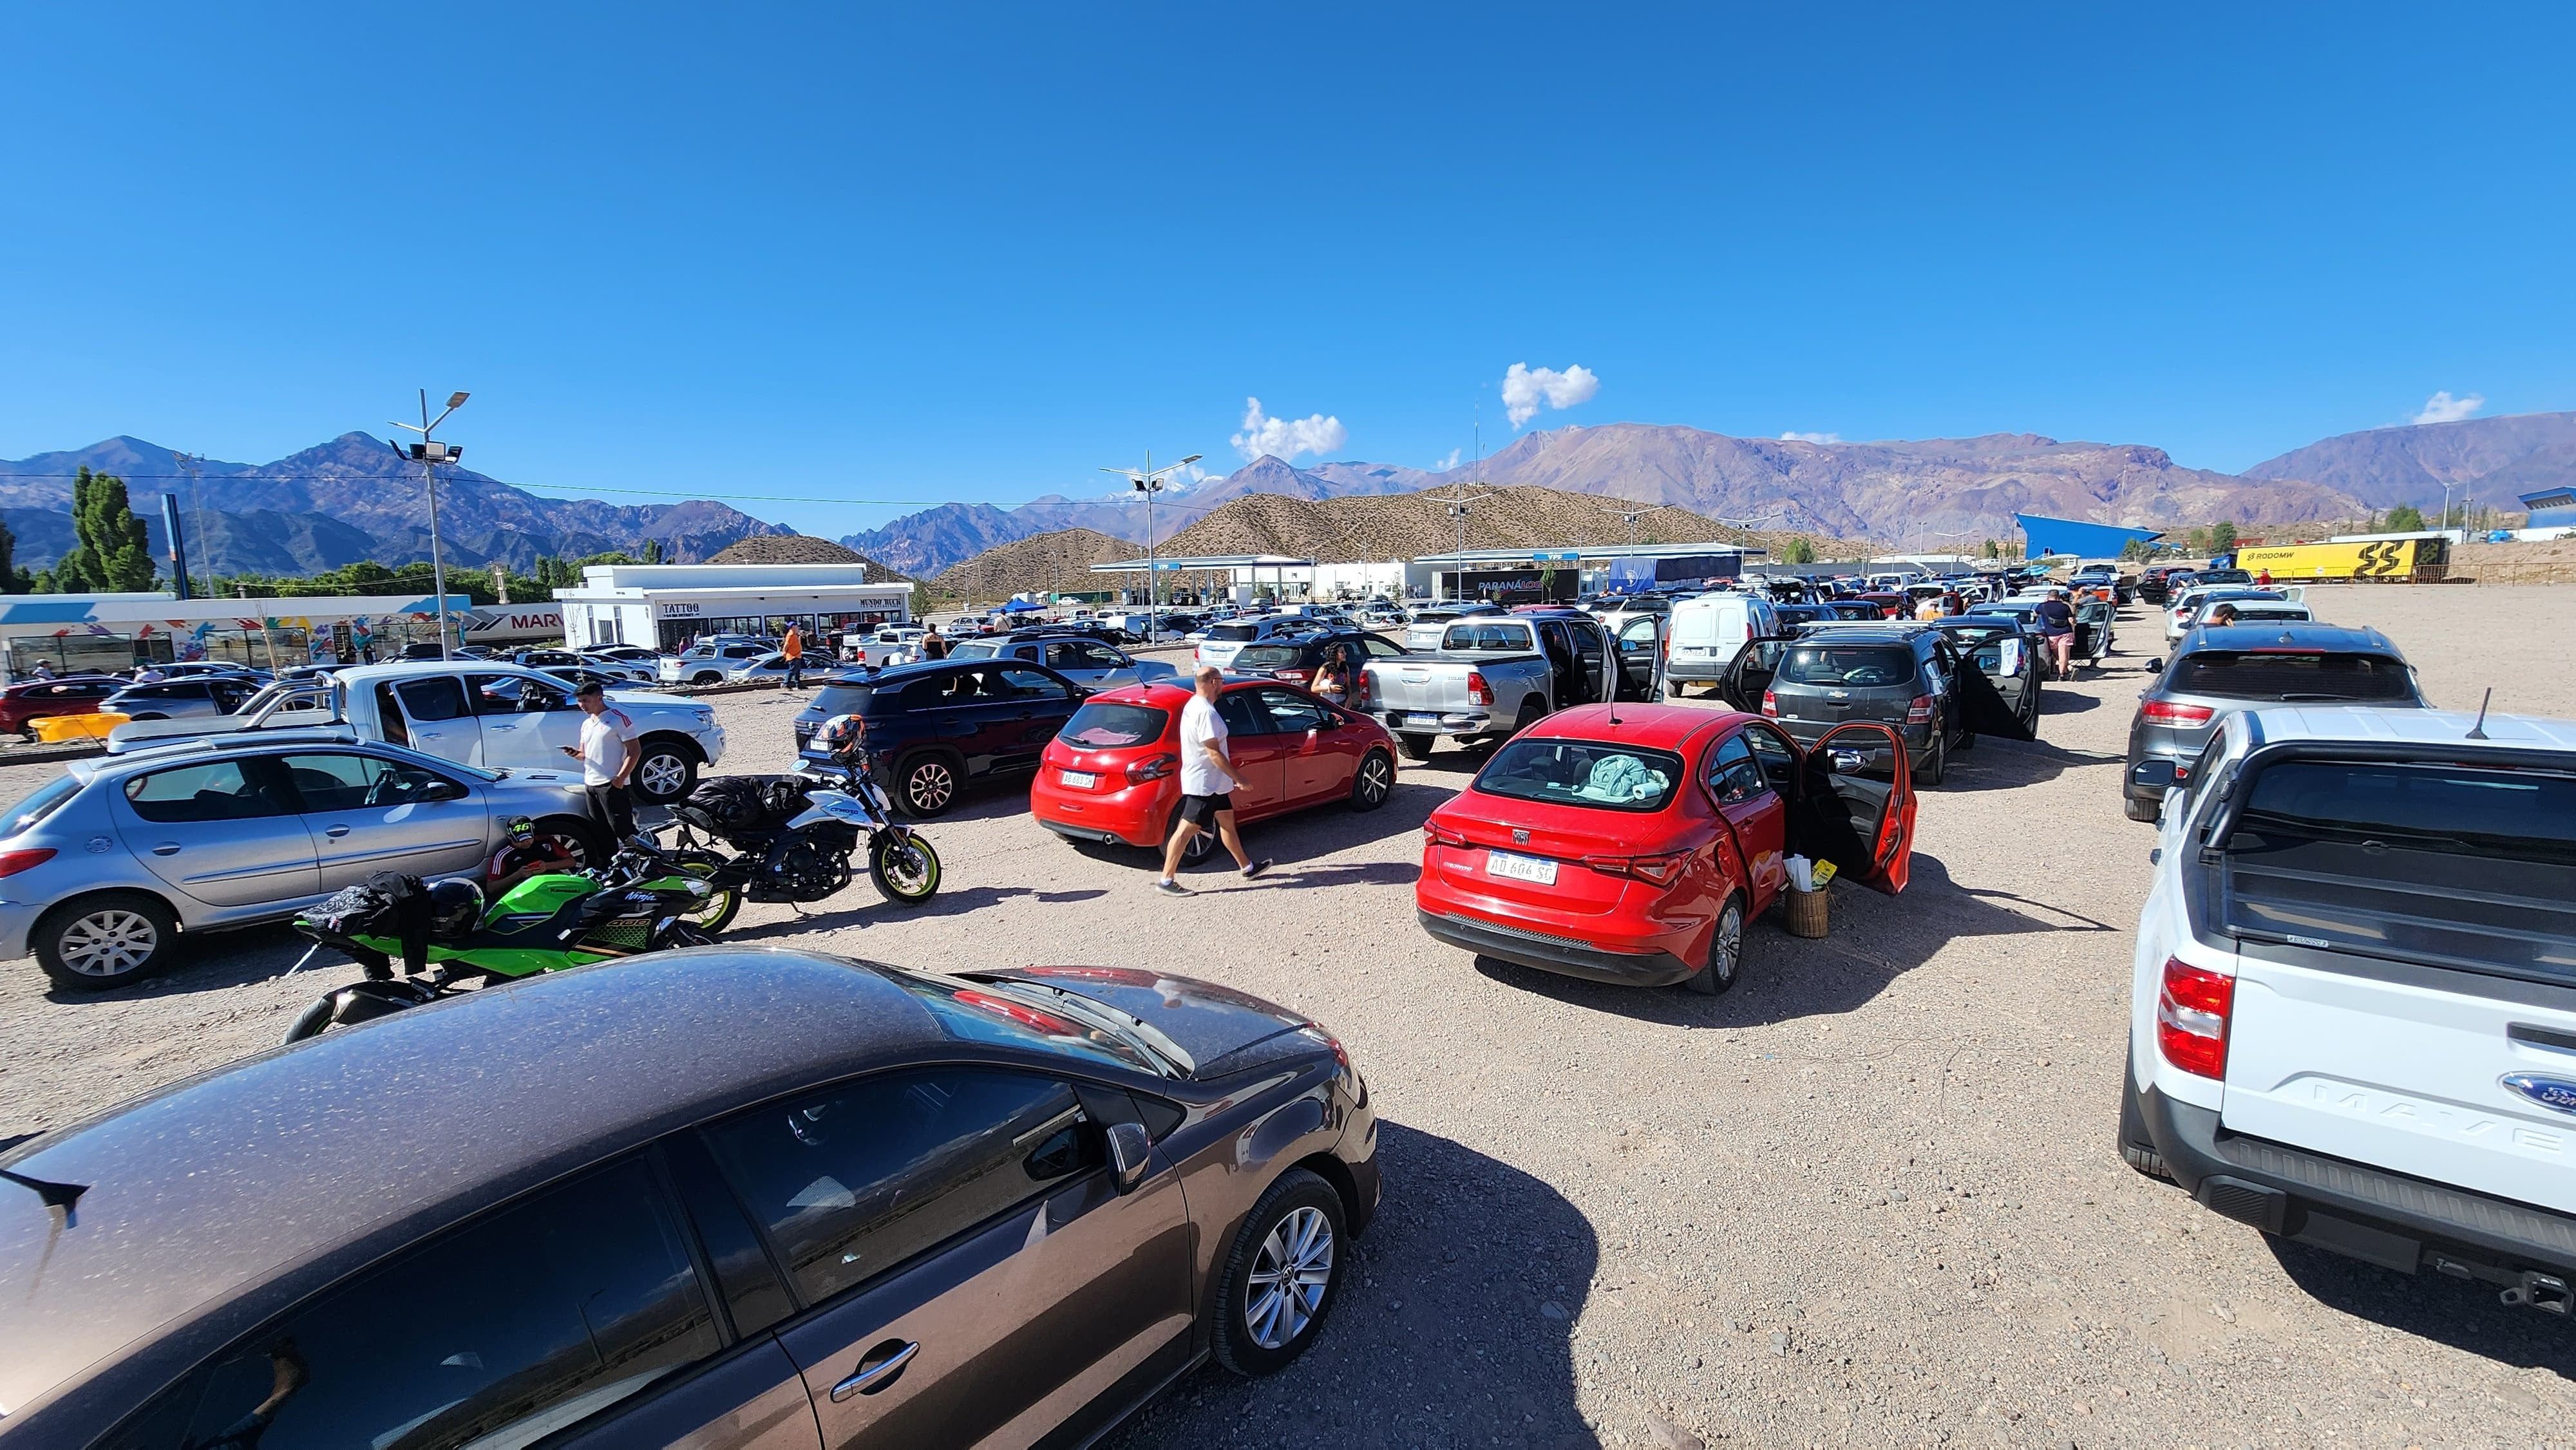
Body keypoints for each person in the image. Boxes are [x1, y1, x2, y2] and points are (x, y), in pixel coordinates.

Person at [1157, 666, 1270, 895]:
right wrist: (1239, 779)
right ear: (1212, 683)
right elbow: (1214, 753)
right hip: (1204, 784)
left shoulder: (1194, 705)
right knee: (1186, 830)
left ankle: (1247, 867)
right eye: (1221, 681)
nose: (1224, 685)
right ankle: (1166, 881)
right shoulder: (1206, 713)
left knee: (1227, 823)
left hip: (1214, 783)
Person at [564, 679, 640, 840]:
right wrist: (574, 753)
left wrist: (620, 778)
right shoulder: (586, 723)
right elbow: (584, 754)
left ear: (599, 698)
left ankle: (644, 858)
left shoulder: (618, 719)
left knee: (622, 828)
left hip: (611, 783)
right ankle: (609, 863)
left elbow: (635, 751)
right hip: (591, 783)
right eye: (579, 701)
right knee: (601, 830)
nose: (583, 705)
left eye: (586, 701)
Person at [485, 816, 574, 895]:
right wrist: (517, 875)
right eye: (521, 840)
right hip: (524, 893)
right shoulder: (502, 856)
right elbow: (491, 888)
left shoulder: (547, 841)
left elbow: (571, 862)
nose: (526, 842)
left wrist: (547, 866)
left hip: (554, 887)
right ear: (510, 837)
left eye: (529, 838)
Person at [2033, 588, 2076, 680]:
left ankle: (2067, 670)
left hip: (2051, 634)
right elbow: (2071, 620)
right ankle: (2062, 674)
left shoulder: (2042, 606)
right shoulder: (2064, 607)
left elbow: (2035, 614)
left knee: (2058, 655)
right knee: (2063, 654)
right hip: (2065, 632)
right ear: (2058, 597)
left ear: (2048, 596)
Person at [1310, 642, 1354, 708]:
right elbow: (1314, 688)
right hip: (1329, 702)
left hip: (1342, 702)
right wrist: (1330, 689)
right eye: (1342, 652)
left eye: (1345, 652)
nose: (1345, 654)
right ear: (1335, 654)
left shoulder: (1345, 667)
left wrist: (1349, 699)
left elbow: (1348, 686)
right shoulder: (1325, 668)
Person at [781, 623, 806, 690]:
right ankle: (785, 684)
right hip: (793, 656)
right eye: (797, 627)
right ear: (793, 627)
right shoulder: (791, 635)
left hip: (797, 655)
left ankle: (798, 684)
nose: (798, 628)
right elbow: (786, 645)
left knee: (797, 671)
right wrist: (784, 652)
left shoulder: (795, 635)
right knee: (792, 670)